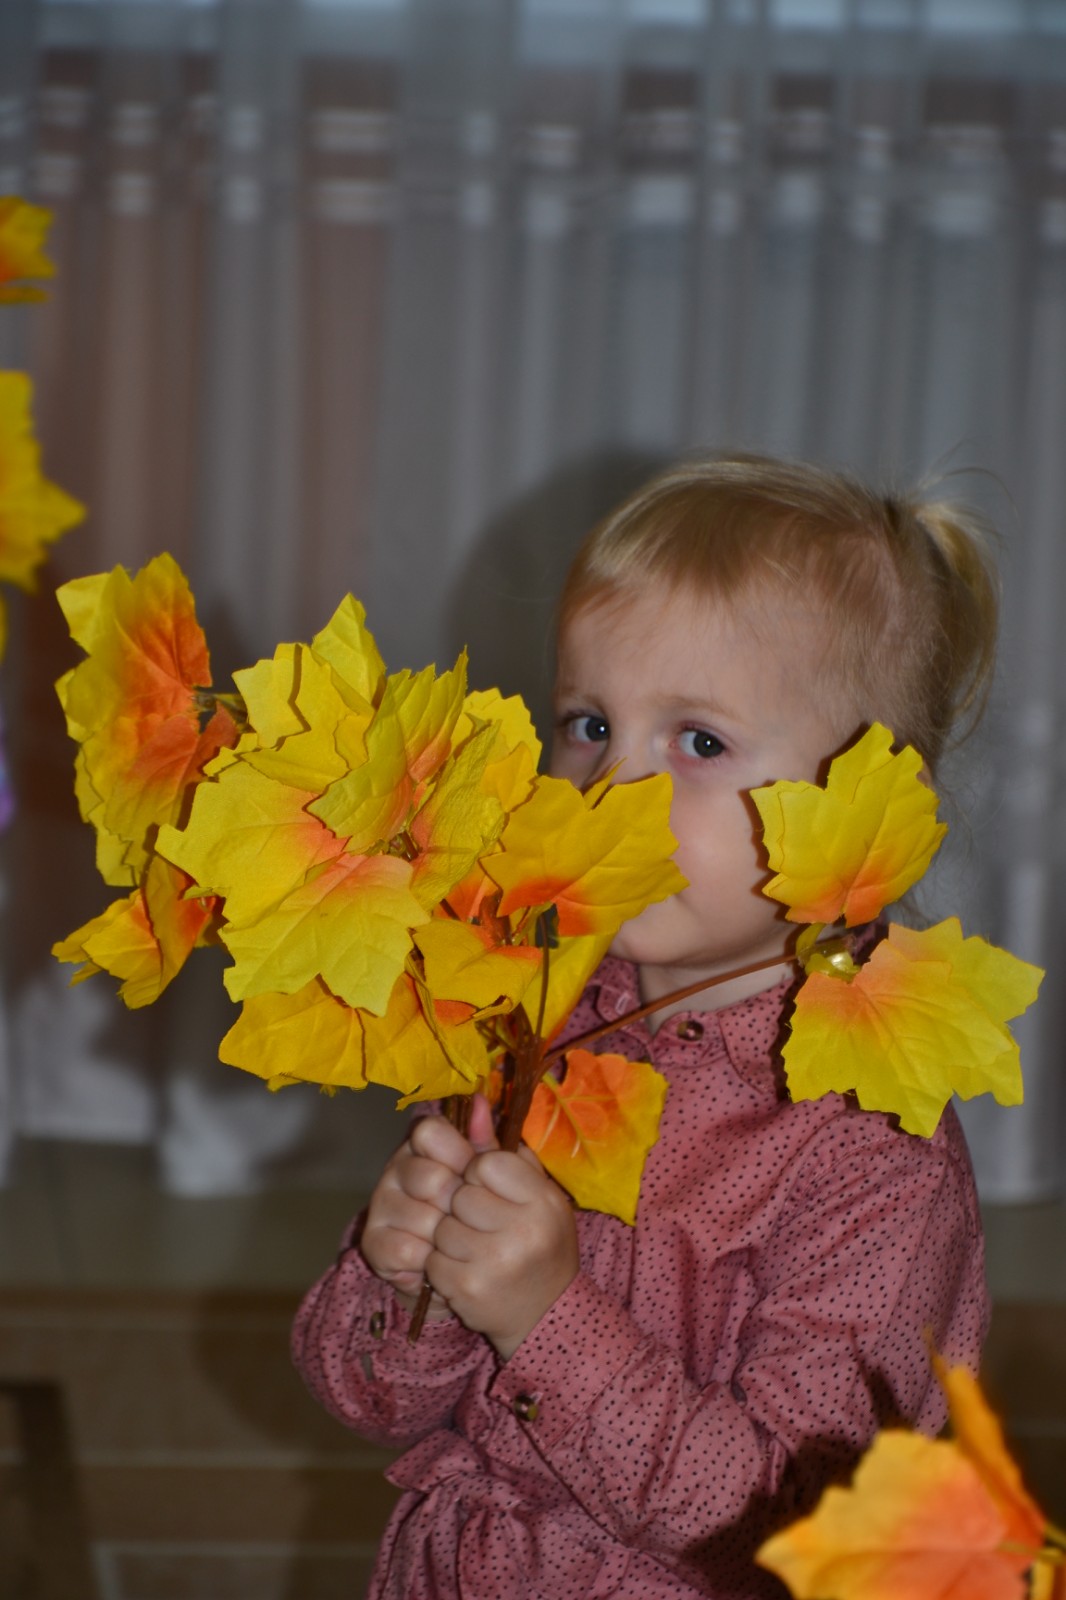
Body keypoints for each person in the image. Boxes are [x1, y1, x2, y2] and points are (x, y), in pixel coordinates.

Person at [292, 454, 997, 1598]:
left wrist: (544, 1320)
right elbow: (366, 1396)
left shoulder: (874, 1148)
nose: (612, 788)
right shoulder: (530, 1018)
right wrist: (397, 1269)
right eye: (587, 723)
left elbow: (787, 1523)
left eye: (698, 742)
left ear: (870, 802)